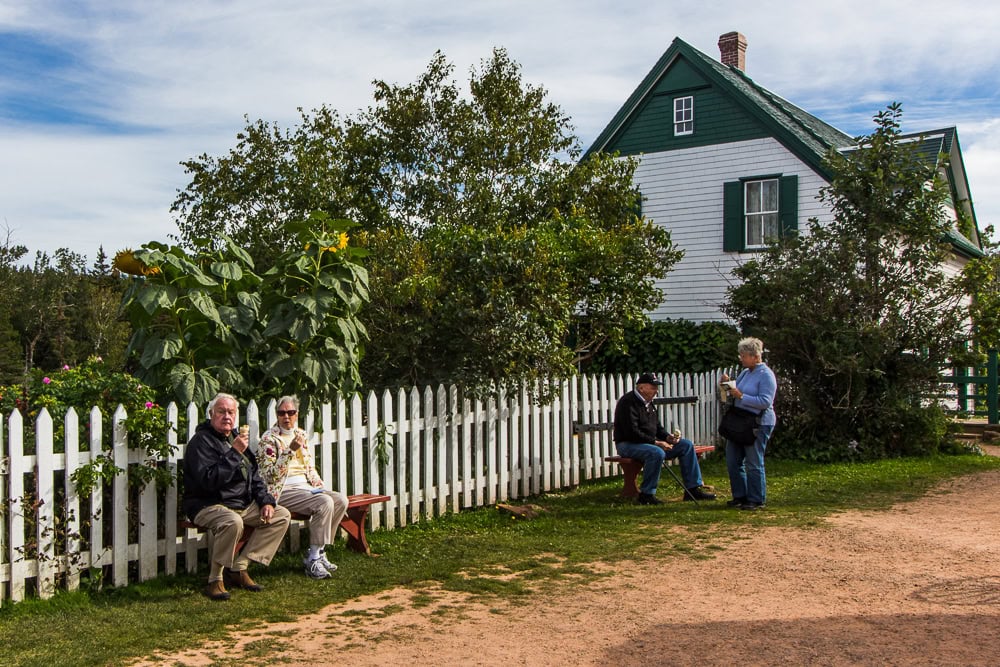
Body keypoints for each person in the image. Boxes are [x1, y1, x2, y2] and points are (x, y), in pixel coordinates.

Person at [182, 392, 291, 600]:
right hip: (208, 504)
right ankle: (215, 580)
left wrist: (265, 501)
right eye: (221, 412)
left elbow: (255, 476)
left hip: (241, 503)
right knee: (232, 522)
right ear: (211, 414)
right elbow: (208, 481)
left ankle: (239, 567)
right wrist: (233, 454)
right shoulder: (200, 442)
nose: (227, 417)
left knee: (281, 514)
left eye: (231, 412)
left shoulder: (234, 439)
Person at [257, 395, 349, 580]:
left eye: (290, 413)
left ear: (297, 414)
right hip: (282, 490)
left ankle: (318, 551)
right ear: (277, 415)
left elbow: (308, 466)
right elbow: (269, 475)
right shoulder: (269, 439)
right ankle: (313, 560)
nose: (286, 417)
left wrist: (319, 484)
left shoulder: (301, 434)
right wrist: (290, 450)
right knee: (324, 503)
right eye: (282, 413)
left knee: (340, 500)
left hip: (306, 487)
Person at [613, 373, 717, 505]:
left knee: (686, 445)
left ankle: (692, 489)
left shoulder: (649, 403)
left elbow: (657, 427)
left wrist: (668, 437)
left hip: (647, 443)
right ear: (641, 388)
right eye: (653, 387)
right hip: (628, 444)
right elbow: (632, 433)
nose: (656, 391)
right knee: (656, 452)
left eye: (656, 387)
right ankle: (647, 494)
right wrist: (656, 443)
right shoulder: (627, 403)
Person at [721, 337, 777, 511]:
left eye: (744, 355)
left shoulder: (766, 375)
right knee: (733, 459)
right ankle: (740, 495)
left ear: (755, 356)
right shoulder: (746, 372)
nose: (741, 358)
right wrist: (727, 385)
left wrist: (742, 397)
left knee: (753, 461)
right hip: (740, 420)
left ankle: (756, 498)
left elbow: (765, 401)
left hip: (758, 423)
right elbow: (737, 390)